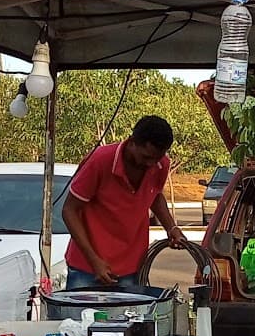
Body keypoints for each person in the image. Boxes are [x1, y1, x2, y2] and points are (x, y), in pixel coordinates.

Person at [62, 116, 187, 291]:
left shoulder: (160, 165)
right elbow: (69, 210)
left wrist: (171, 228)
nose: (151, 164)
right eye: (146, 157)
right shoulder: (101, 160)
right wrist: (94, 260)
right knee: (79, 318)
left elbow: (155, 194)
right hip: (87, 268)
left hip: (131, 268)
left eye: (157, 159)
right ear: (132, 142)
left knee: (126, 318)